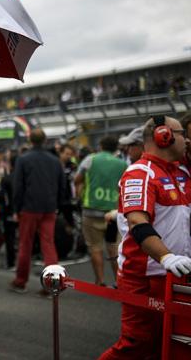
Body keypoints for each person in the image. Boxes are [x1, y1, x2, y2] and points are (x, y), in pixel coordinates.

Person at [100, 115, 191, 360]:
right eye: (182, 133)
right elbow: (137, 223)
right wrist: (166, 256)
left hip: (177, 275)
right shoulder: (140, 173)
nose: (187, 140)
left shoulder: (182, 173)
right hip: (145, 277)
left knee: (172, 345)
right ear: (164, 136)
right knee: (136, 346)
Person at [10, 128, 66, 294]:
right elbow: (62, 185)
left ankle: (21, 282)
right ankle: (52, 284)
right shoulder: (55, 160)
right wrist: (57, 205)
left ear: (30, 140)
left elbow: (18, 187)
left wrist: (16, 208)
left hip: (29, 207)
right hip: (49, 207)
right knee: (48, 245)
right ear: (45, 140)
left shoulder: (23, 159)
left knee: (25, 245)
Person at [75, 136, 127, 287]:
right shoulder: (123, 164)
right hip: (113, 213)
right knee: (115, 249)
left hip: (91, 210)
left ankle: (100, 281)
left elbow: (77, 179)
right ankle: (120, 282)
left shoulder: (91, 159)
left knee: (95, 247)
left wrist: (81, 190)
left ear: (100, 145)